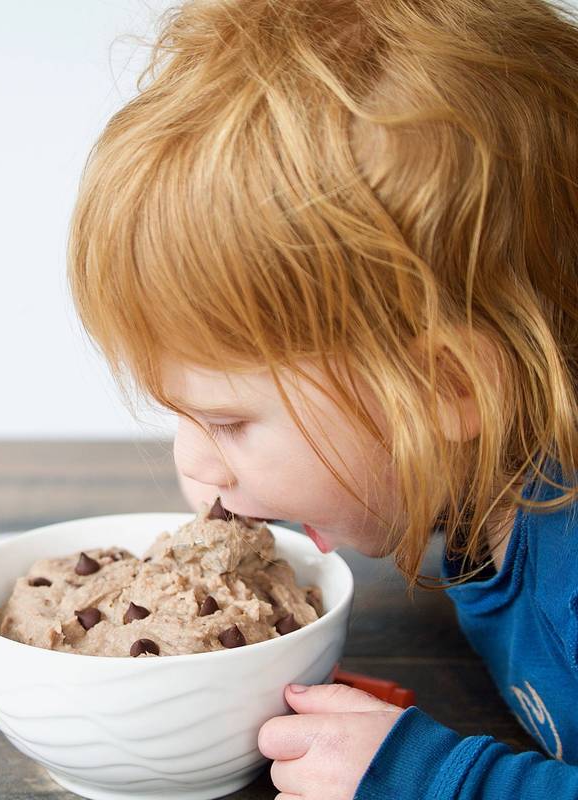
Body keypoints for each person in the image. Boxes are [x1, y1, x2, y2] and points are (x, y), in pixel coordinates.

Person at [66, 0, 578, 796]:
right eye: (184, 417)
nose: (194, 465)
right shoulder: (487, 480)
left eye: (228, 421)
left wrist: (430, 778)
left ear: (447, 385)